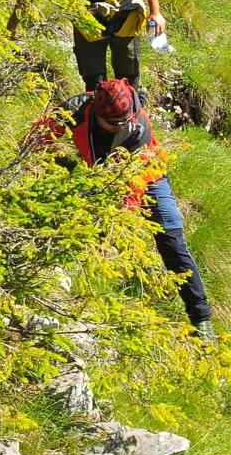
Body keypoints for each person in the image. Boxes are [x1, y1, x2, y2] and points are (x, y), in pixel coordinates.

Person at [26, 77, 215, 333]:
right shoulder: (77, 109)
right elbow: (39, 135)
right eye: (113, 124)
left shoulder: (138, 129)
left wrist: (117, 221)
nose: (121, 127)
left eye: (124, 121)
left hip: (148, 176)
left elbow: (131, 187)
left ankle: (201, 320)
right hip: (101, 174)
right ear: (96, 112)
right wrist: (28, 163)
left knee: (171, 239)